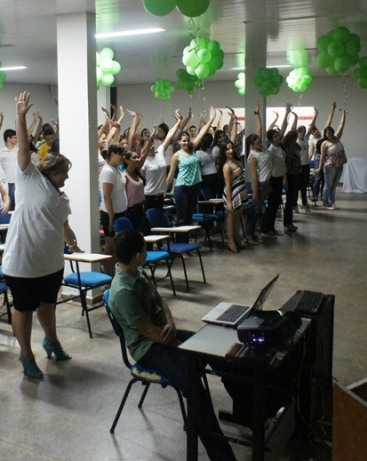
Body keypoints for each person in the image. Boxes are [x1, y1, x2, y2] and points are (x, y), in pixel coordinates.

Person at [109, 230, 237, 461]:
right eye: (145, 251)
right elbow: (150, 333)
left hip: (164, 333)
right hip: (149, 348)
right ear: (138, 255)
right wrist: (186, 347)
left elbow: (160, 299)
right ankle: (222, 457)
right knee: (193, 386)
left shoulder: (137, 272)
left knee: (218, 353)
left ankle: (246, 409)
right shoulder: (123, 292)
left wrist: (170, 321)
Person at [2, 92, 80, 379]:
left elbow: (64, 224)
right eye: (64, 173)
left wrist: (73, 243)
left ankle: (52, 341)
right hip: (23, 263)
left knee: (48, 306)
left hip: (51, 263)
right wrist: (21, 116)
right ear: (50, 171)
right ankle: (26, 354)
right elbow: (23, 149)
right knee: (24, 309)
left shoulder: (62, 198)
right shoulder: (30, 179)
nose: (67, 178)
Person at [166, 108, 214, 242]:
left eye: (188, 140)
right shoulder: (177, 155)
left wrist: (211, 119)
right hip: (182, 188)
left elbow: (203, 132)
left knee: (189, 217)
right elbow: (170, 175)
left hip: (195, 187)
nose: (186, 143)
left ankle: (185, 245)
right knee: (181, 218)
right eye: (184, 141)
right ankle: (180, 247)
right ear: (179, 142)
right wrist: (165, 189)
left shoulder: (193, 149)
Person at [100, 143, 128, 275]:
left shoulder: (116, 169)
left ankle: (114, 273)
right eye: (120, 154)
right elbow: (106, 196)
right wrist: (111, 216)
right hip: (111, 214)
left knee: (117, 247)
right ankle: (107, 274)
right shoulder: (108, 171)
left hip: (120, 212)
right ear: (112, 154)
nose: (123, 157)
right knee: (110, 247)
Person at [245, 100, 269, 244]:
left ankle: (253, 234)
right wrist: (255, 192)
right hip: (258, 185)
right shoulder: (253, 156)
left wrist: (257, 112)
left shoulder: (262, 150)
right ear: (252, 145)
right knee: (253, 212)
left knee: (258, 210)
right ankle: (248, 235)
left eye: (261, 142)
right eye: (258, 143)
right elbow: (254, 174)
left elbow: (259, 128)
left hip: (265, 183)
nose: (261, 144)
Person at [221, 120, 246, 252]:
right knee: (231, 217)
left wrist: (235, 123)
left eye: (231, 148)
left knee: (237, 217)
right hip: (232, 193)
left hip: (240, 191)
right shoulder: (226, 166)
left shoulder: (236, 160)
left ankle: (237, 238)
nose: (230, 151)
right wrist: (230, 201)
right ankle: (230, 241)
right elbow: (228, 185)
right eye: (227, 149)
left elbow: (234, 138)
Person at [318, 108, 348, 210]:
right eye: (327, 133)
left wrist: (344, 113)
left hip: (339, 164)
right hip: (330, 166)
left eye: (330, 132)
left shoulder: (337, 138)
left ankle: (332, 202)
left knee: (334, 185)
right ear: (325, 134)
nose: (329, 134)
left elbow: (341, 125)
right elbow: (322, 157)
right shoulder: (324, 143)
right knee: (328, 185)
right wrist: (319, 168)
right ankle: (326, 203)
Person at [0, 128, 19, 210]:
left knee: (18, 206)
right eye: (15, 137)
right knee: (9, 206)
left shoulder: (18, 150)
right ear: (8, 138)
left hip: (18, 182)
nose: (17, 139)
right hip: (8, 183)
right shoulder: (0, 152)